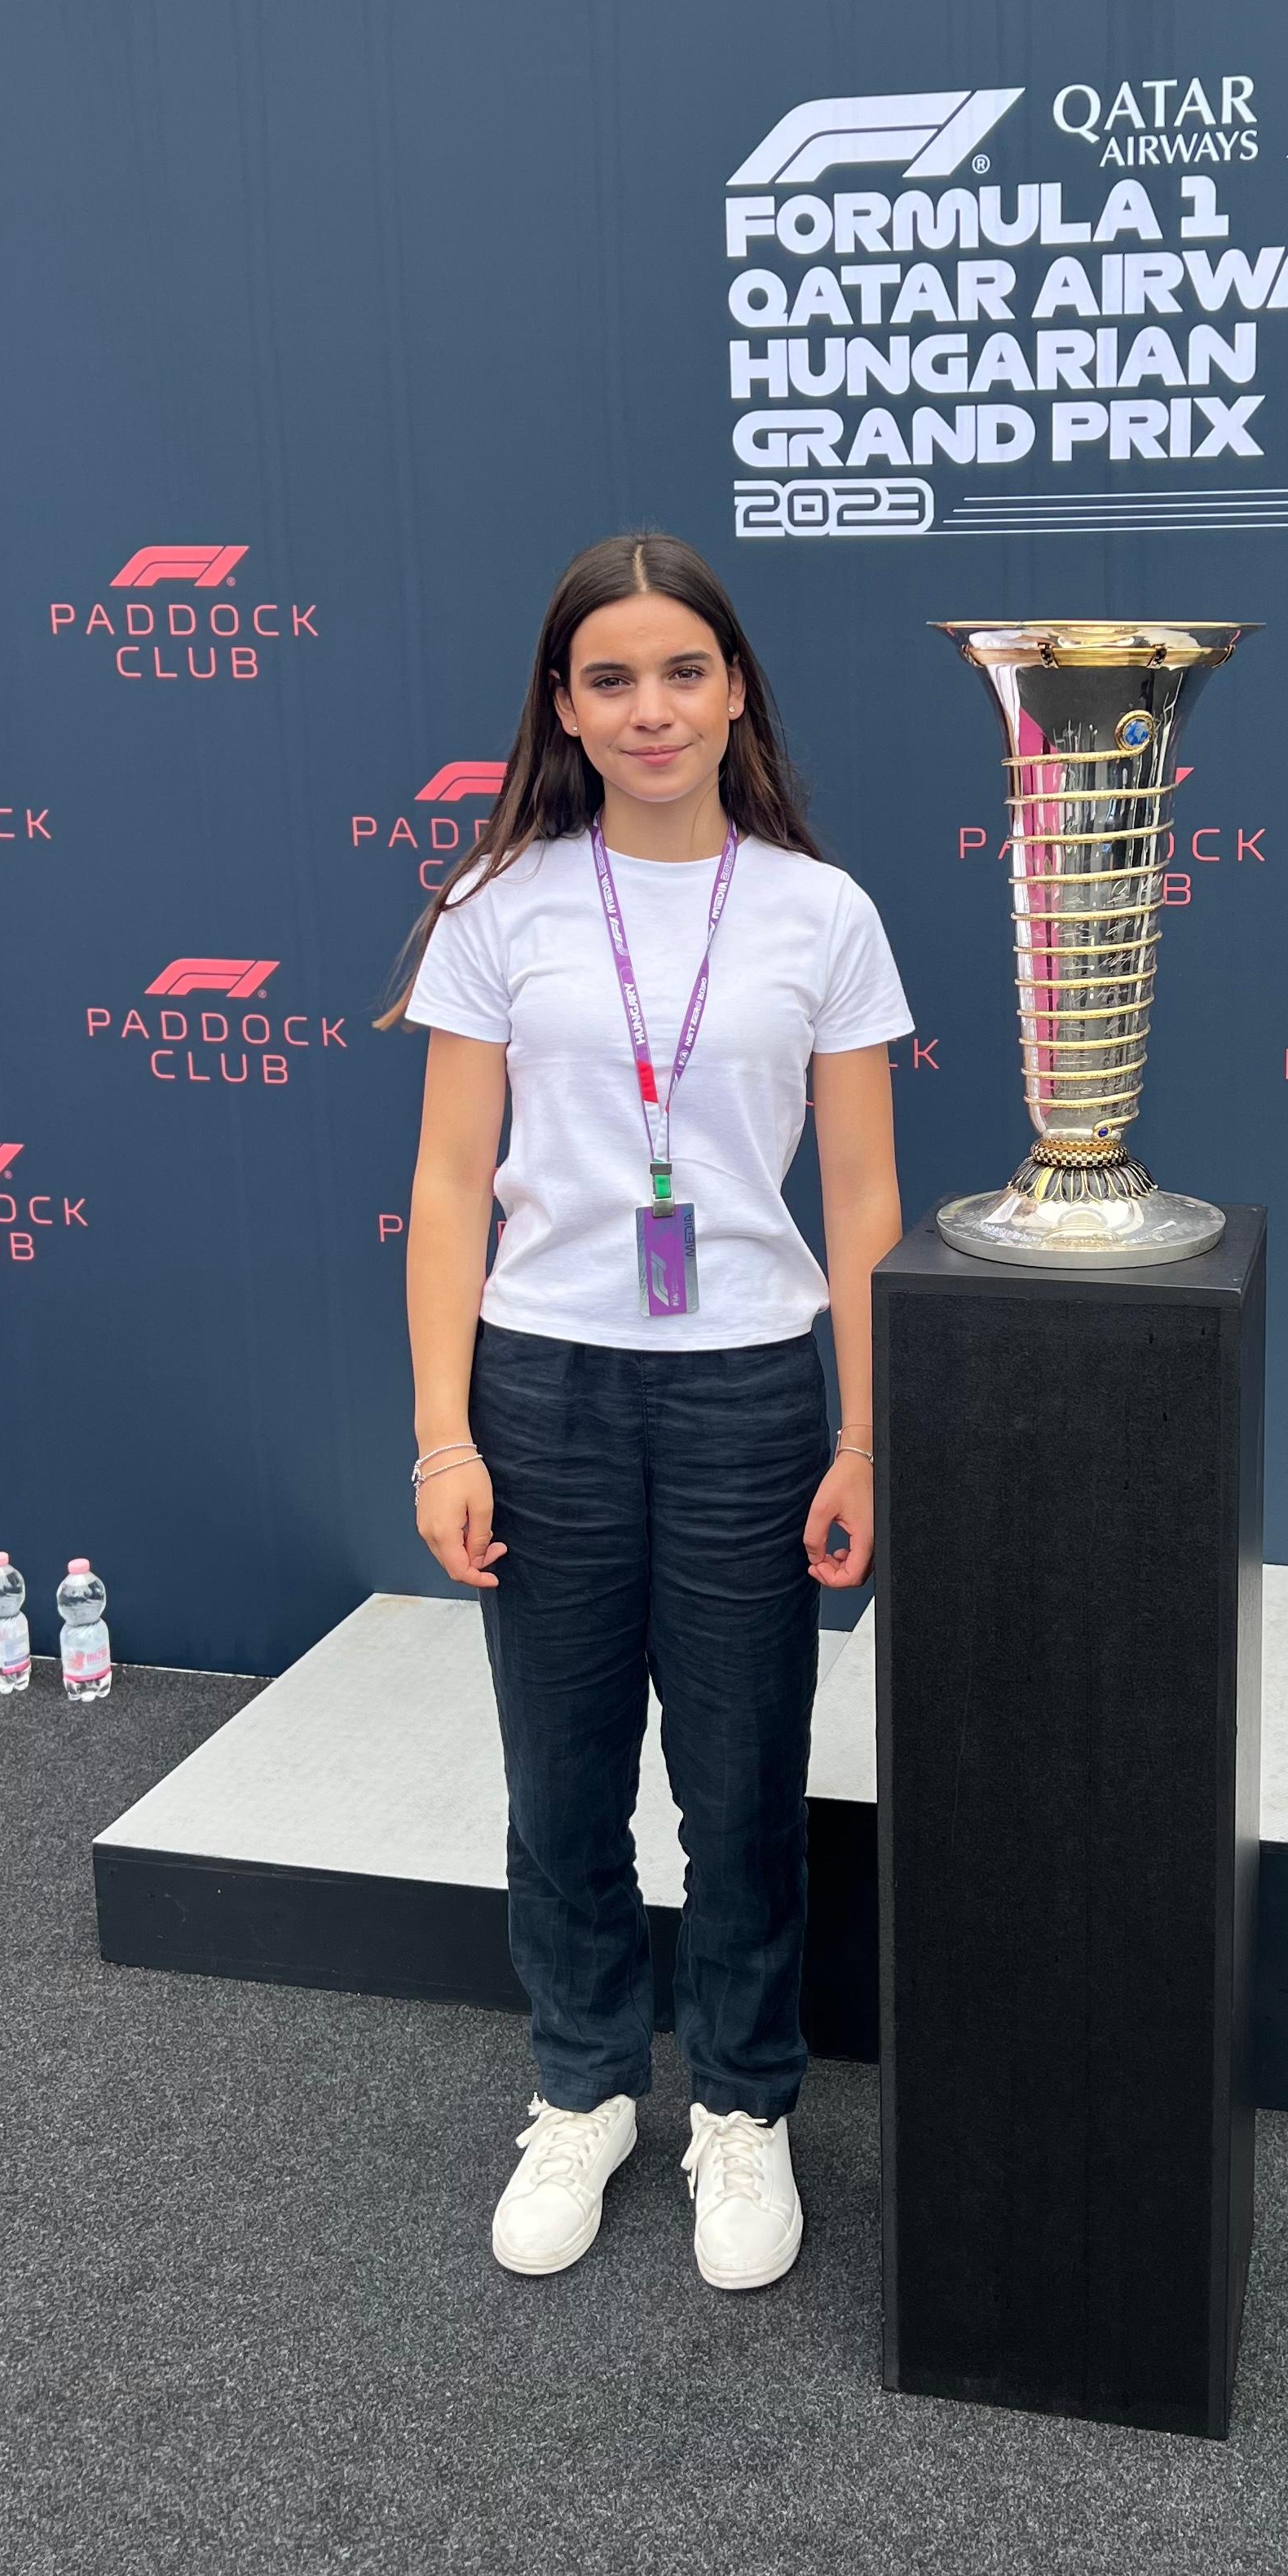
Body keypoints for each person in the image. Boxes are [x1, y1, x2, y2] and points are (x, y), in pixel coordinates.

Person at [386, 531, 909, 2291]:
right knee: (562, 1781)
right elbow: (449, 1187)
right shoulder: (497, 907)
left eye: (683, 670)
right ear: (564, 706)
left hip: (755, 1393)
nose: (651, 708)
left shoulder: (820, 914)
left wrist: (865, 1435)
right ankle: (586, 2087)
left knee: (745, 1786)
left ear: (735, 688)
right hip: (542, 1388)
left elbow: (862, 1200)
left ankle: (745, 2107)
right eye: (610, 678)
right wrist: (445, 1436)